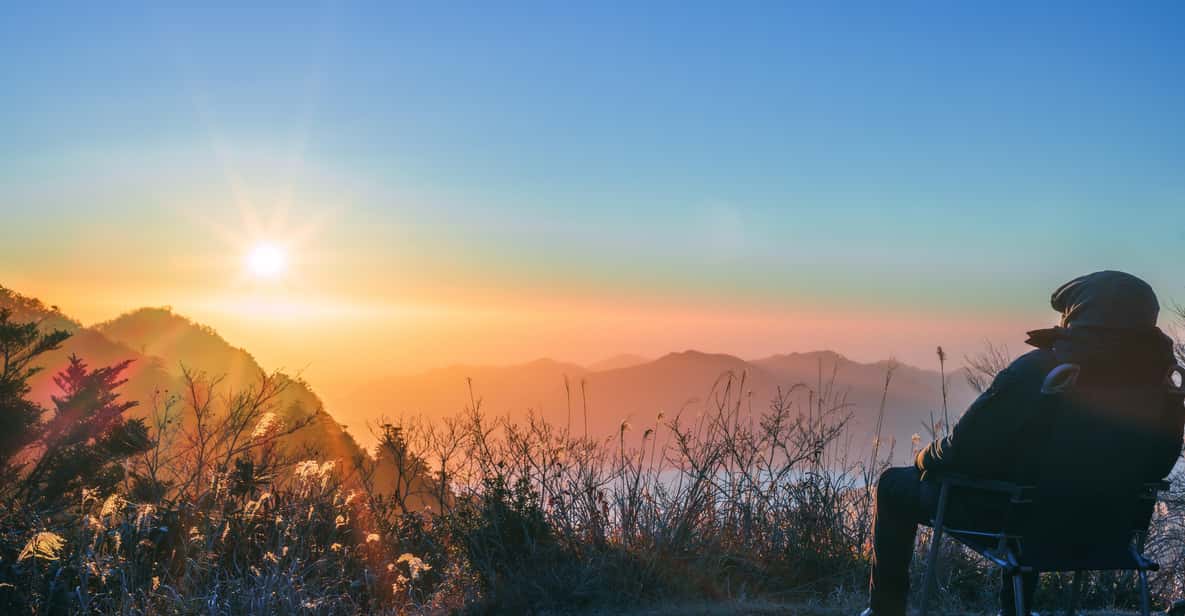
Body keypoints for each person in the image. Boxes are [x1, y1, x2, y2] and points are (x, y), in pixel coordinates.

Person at [861, 271, 1183, 616]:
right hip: (1108, 527)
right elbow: (1159, 465)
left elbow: (964, 450)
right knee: (1031, 493)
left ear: (1076, 315)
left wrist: (925, 458)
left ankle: (885, 610)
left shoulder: (1043, 371)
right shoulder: (1163, 386)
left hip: (1013, 520)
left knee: (893, 484)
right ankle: (1017, 610)